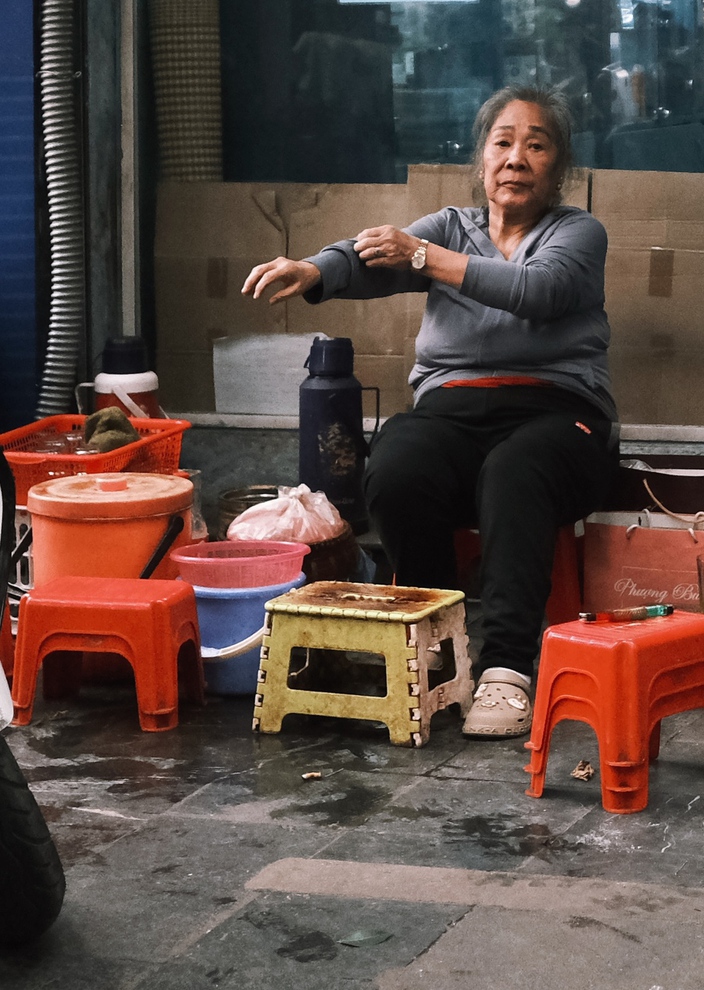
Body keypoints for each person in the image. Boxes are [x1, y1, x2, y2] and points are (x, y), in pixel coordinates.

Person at [242, 84, 614, 739]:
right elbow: (374, 259)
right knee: (395, 470)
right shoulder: (448, 227)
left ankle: (505, 672)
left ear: (559, 169)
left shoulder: (578, 233)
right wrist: (314, 269)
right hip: (451, 411)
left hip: (558, 417)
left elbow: (538, 290)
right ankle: (439, 645)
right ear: (480, 162)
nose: (517, 158)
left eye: (537, 144)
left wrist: (426, 259)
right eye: (503, 143)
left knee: (515, 471)